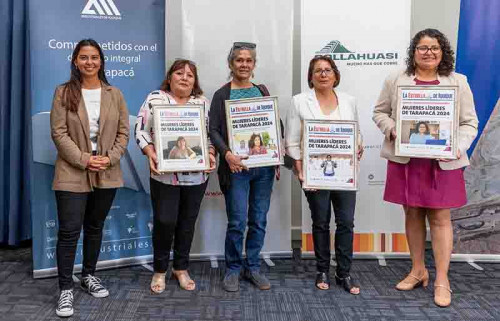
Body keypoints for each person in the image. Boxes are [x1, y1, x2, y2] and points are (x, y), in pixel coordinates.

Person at [372, 28, 478, 307]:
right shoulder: (396, 79)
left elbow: (469, 123)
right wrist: (394, 129)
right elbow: (379, 112)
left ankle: (442, 279)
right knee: (412, 212)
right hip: (407, 158)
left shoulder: (458, 81)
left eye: (434, 47)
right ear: (414, 52)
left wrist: (457, 146)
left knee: (441, 218)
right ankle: (418, 270)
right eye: (422, 47)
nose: (428, 52)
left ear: (443, 52)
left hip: (443, 160)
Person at [50, 39, 129, 317]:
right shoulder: (63, 92)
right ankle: (65, 290)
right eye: (84, 57)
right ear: (75, 61)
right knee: (70, 232)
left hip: (106, 170)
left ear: (101, 61)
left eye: (94, 57)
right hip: (72, 170)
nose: (89, 62)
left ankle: (88, 276)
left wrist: (110, 158)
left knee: (95, 227)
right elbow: (58, 133)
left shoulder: (114, 93)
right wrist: (85, 159)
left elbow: (123, 133)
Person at [135, 59, 216, 294]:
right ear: (170, 77)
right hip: (164, 176)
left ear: (195, 81)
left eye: (190, 75)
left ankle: (181, 268)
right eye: (179, 73)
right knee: (164, 221)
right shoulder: (155, 99)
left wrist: (210, 154)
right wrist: (149, 151)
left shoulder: (203, 103)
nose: (184, 78)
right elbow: (140, 130)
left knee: (187, 223)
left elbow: (211, 136)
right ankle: (160, 269)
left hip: (196, 177)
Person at [286, 55, 364, 294]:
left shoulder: (349, 101)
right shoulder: (299, 101)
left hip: (345, 174)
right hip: (313, 174)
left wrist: (358, 144)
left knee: (346, 223)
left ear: (335, 75)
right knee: (320, 222)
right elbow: (291, 140)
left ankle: (344, 273)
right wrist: (299, 168)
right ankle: (322, 270)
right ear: (311, 76)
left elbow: (356, 132)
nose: (323, 74)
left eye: (327, 70)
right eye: (317, 70)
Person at [209, 42, 276, 292]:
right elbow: (213, 129)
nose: (244, 64)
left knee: (258, 220)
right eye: (239, 60)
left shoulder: (262, 90)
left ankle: (253, 267)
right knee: (237, 222)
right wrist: (226, 154)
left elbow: (273, 124)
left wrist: (275, 157)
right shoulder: (222, 94)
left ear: (254, 65)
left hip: (263, 169)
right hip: (236, 170)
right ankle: (234, 269)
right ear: (231, 64)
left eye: (249, 60)